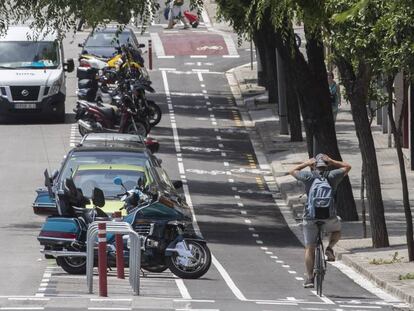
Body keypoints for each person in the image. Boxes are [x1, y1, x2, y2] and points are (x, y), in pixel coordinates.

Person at [289, 153, 351, 288]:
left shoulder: (308, 176)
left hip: (310, 217)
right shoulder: (333, 176)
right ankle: (329, 248)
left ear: (314, 166)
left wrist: (306, 164)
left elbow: (292, 171)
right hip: (329, 216)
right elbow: (348, 166)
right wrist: (332, 161)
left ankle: (310, 278)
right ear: (326, 166)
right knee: (337, 230)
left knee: (309, 247)